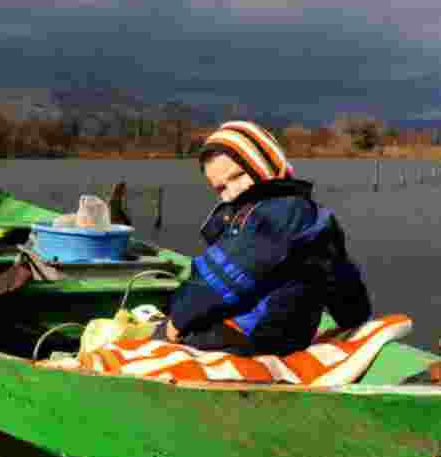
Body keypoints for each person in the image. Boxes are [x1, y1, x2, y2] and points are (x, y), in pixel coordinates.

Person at [152, 121, 372, 356]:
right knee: (176, 316)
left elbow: (224, 278)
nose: (232, 191)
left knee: (157, 343)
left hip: (254, 336)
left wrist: (179, 319)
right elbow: (341, 278)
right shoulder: (302, 213)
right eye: (221, 188)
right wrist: (354, 318)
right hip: (275, 333)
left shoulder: (277, 214)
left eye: (237, 176)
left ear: (264, 164)